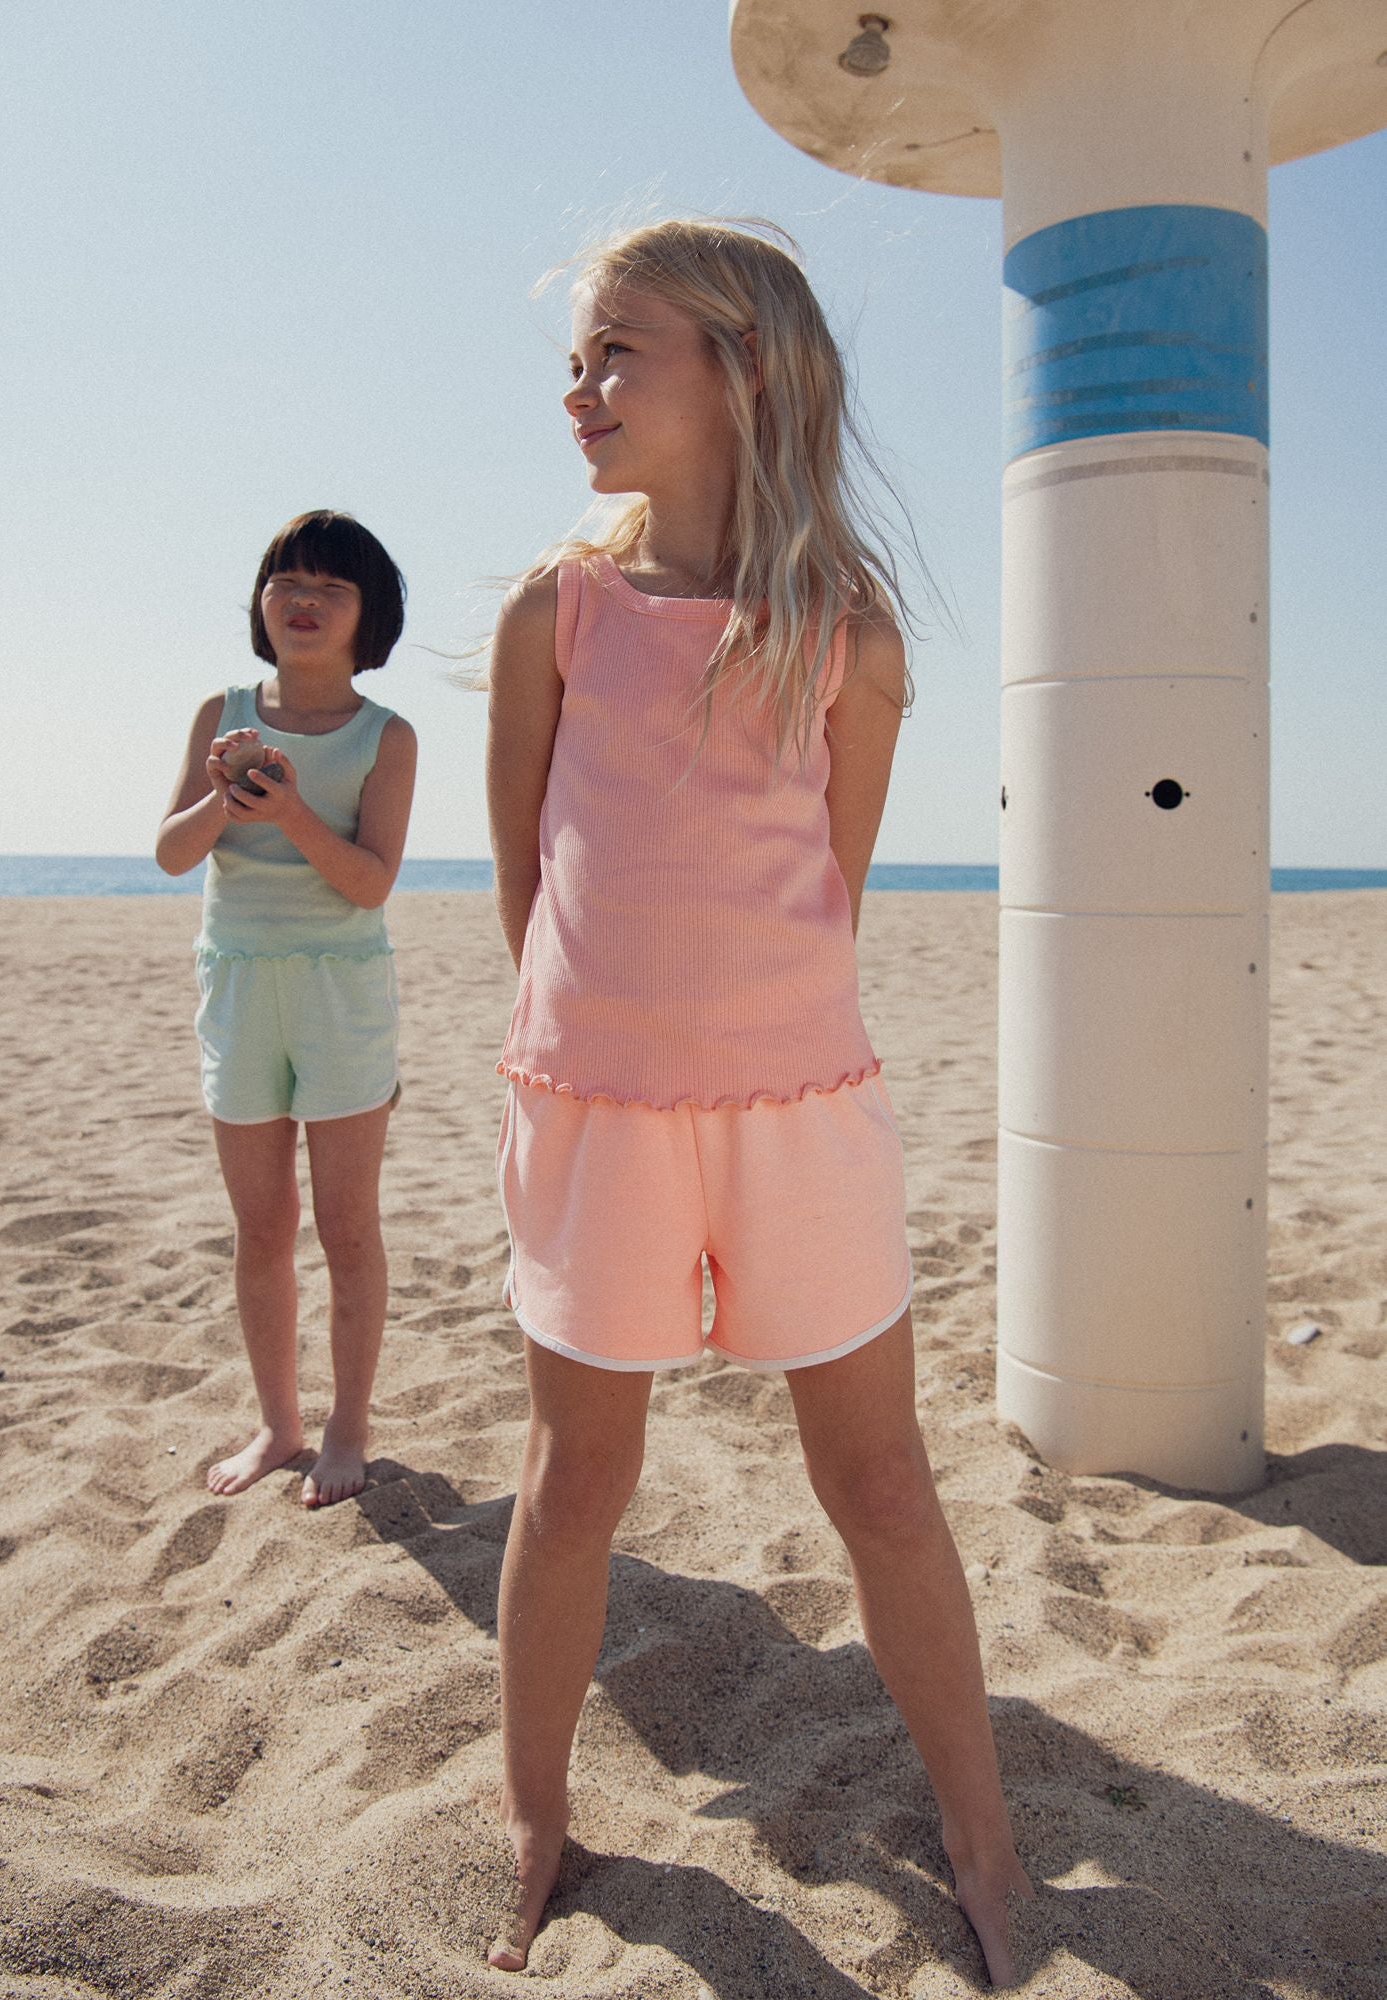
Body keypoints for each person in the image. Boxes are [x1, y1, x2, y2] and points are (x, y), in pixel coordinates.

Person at [485, 221, 1032, 1983]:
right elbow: (530, 886)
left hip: (802, 1114)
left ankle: (984, 1832)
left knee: (880, 1477)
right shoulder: (552, 612)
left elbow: (835, 890)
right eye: (577, 355)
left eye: (615, 351)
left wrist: (734, 1037)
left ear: (740, 369)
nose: (581, 388)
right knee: (579, 1481)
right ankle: (534, 1814)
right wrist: (611, 1053)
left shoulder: (845, 633)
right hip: (602, 1115)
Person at [156, 510, 416, 1509]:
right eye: (286, 581)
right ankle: (280, 1422)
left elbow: (370, 881)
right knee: (261, 1225)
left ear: (368, 615)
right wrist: (229, 795)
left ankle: (348, 1425)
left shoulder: (386, 735)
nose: (303, 601)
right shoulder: (223, 713)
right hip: (236, 987)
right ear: (263, 601)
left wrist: (292, 811)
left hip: (341, 993)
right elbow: (174, 854)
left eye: (331, 587)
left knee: (349, 1228)